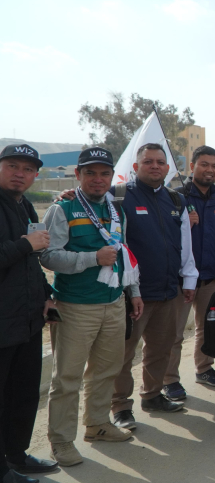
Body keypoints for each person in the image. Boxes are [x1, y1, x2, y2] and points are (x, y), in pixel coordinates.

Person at [41, 147, 144, 467]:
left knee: (106, 370)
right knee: (67, 378)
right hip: (75, 306)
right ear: (78, 175)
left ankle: (97, 424)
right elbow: (47, 256)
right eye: (90, 173)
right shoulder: (64, 208)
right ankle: (60, 440)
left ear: (112, 176)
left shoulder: (116, 210)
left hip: (113, 303)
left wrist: (134, 291)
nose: (98, 179)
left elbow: (122, 254)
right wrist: (91, 259)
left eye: (104, 173)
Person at [107, 143, 199, 430]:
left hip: (169, 290)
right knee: (124, 354)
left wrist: (189, 278)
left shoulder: (175, 200)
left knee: (160, 349)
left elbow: (185, 245)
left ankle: (152, 396)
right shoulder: (118, 197)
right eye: (149, 162)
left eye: (160, 161)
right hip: (133, 294)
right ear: (136, 167)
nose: (156, 166)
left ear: (168, 168)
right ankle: (121, 406)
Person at [0, 144, 59, 483]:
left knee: (23, 393)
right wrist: (27, 244)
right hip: (2, 323)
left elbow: (30, 263)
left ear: (35, 175)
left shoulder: (22, 206)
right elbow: (26, 249)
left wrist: (47, 297)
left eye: (27, 168)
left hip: (26, 319)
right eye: (12, 165)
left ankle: (15, 455)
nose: (19, 173)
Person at [163, 146, 215, 402]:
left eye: (214, 165)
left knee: (207, 328)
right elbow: (162, 233)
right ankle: (169, 379)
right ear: (192, 166)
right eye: (204, 164)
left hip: (212, 276)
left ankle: (204, 368)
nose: (210, 170)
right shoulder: (175, 196)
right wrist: (180, 223)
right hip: (181, 279)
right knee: (174, 333)